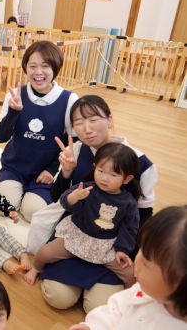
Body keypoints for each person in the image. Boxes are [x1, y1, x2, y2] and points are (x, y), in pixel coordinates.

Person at [40, 95, 157, 312]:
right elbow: (57, 197)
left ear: (110, 119)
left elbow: (144, 217)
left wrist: (133, 256)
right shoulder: (76, 149)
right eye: (78, 123)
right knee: (58, 297)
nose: (86, 129)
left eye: (93, 120)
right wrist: (66, 172)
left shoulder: (141, 163)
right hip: (77, 236)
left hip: (112, 245)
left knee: (97, 307)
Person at [25, 143, 140, 288]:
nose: (105, 178)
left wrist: (122, 250)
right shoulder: (86, 187)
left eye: (113, 175)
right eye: (101, 171)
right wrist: (74, 197)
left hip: (105, 245)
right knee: (44, 253)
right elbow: (65, 201)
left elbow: (129, 228)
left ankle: (130, 295)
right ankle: (36, 268)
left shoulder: (128, 202)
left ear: (127, 179)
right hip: (76, 236)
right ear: (94, 167)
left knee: (130, 273)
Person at [0, 40, 79, 222]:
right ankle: (15, 187)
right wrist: (13, 113)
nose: (38, 72)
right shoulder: (15, 95)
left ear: (55, 69)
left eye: (45, 66)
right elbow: (0, 137)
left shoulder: (69, 100)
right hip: (15, 166)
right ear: (26, 68)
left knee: (33, 213)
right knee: (3, 208)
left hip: (46, 173)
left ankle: (32, 194)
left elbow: (75, 144)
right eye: (32, 66)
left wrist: (53, 169)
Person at [69, 205, 187, 330]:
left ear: (177, 284)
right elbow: (115, 310)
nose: (137, 260)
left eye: (146, 263)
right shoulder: (142, 291)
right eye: (141, 250)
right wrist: (93, 326)